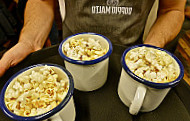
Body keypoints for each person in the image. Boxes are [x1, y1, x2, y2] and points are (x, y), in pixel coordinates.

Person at [0, 0, 186, 77]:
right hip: (71, 58)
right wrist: (30, 40)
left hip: (131, 63)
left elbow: (172, 9)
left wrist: (149, 51)